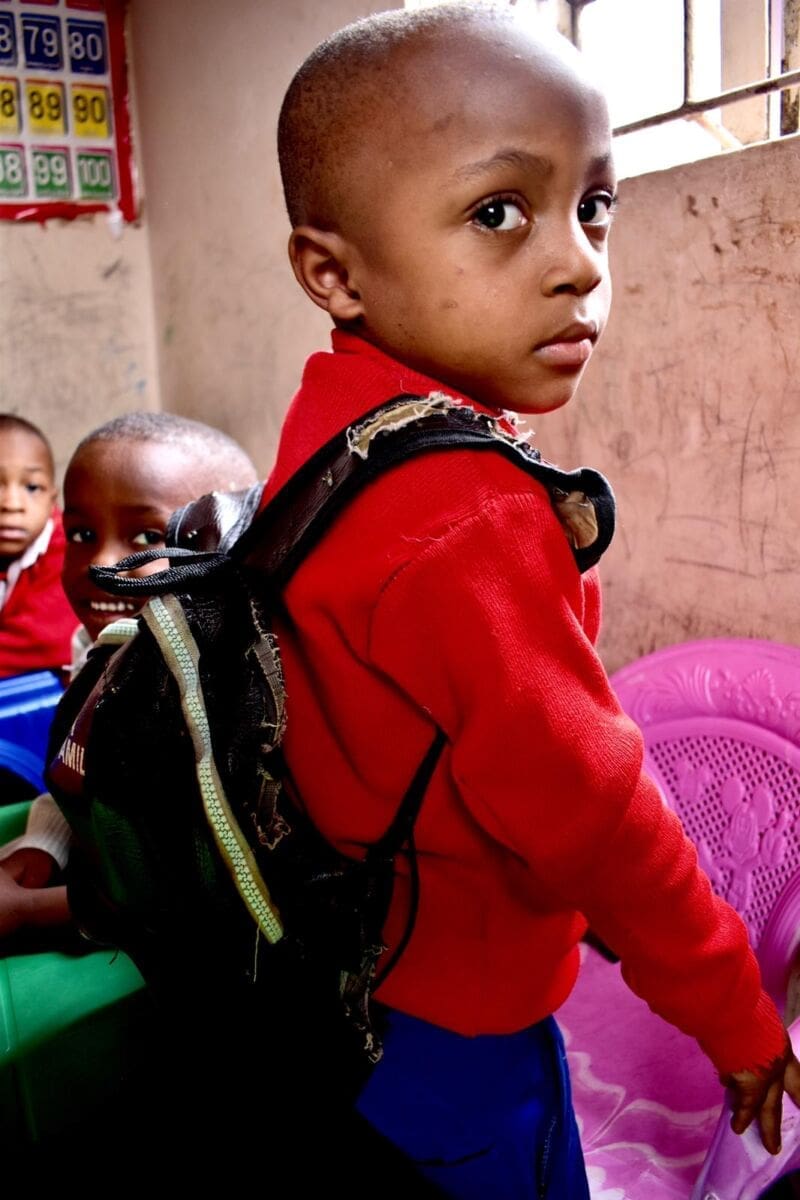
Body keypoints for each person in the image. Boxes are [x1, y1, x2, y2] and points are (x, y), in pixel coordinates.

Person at [265, 5, 800, 1197]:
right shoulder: (467, 515)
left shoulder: (336, 427)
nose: (579, 263)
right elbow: (594, 816)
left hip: (350, 968)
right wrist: (734, 1012)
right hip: (463, 1021)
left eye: (591, 204)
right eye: (497, 212)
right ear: (333, 273)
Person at [0, 410, 259, 942]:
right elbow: (84, 770)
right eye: (82, 533)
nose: (101, 562)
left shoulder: (217, 689)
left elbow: (202, 890)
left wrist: (28, 911)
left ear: (232, 540)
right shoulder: (102, 644)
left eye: (146, 535)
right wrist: (43, 846)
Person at [0, 414, 76, 680]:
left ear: (52, 499)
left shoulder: (67, 552)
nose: (12, 504)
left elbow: (43, 642)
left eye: (32, 487)